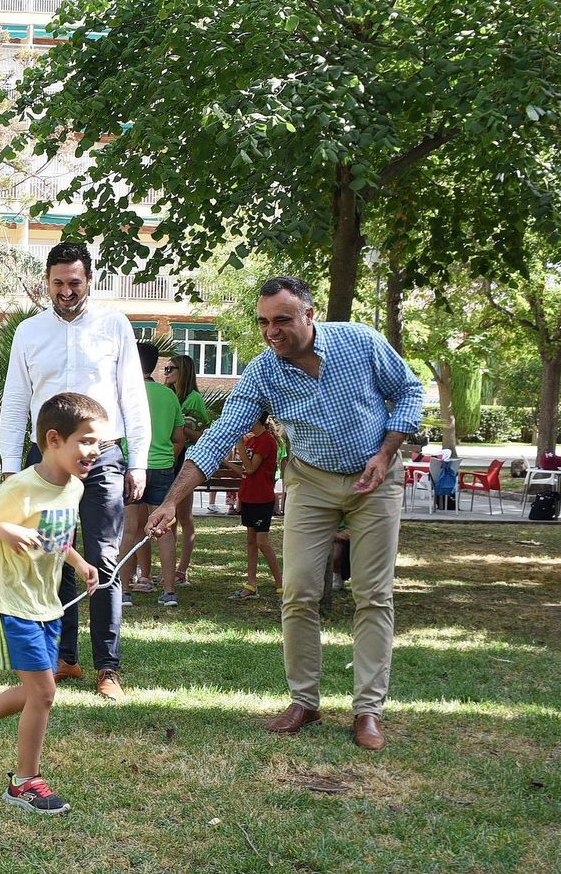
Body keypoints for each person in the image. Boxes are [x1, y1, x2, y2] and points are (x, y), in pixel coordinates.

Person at [147, 276, 423, 751]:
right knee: (297, 591)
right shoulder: (262, 372)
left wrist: (386, 451)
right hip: (310, 481)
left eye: (282, 320)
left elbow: (411, 392)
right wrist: (172, 500)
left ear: (309, 315)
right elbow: (220, 435)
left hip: (375, 479)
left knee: (373, 594)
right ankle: (305, 701)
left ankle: (368, 710)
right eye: (263, 322)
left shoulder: (361, 342)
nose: (271, 331)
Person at [0, 242, 150, 700]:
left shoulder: (114, 325)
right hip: (47, 462)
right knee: (53, 556)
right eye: (58, 283)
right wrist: (9, 466)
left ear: (90, 280)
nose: (66, 292)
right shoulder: (28, 332)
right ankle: (63, 659)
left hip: (102, 457)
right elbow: (15, 399)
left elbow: (132, 396)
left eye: (75, 283)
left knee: (103, 558)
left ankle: (109, 668)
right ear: (47, 281)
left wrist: (138, 461)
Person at [0, 392, 104, 815]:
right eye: (86, 441)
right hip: (12, 602)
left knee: (36, 691)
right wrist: (5, 532)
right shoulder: (21, 486)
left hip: (46, 603)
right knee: (44, 692)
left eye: (99, 443)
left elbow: (58, 538)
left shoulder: (75, 487)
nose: (94, 451)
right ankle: (23, 783)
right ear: (54, 439)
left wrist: (81, 561)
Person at [117, 342, 186, 608]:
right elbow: (179, 437)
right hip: (162, 467)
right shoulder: (168, 395)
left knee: (128, 529)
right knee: (164, 529)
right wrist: (168, 455)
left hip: (131, 466)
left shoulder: (123, 393)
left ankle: (123, 592)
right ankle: (169, 592)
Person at [165, 353, 212, 588]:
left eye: (170, 369)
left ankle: (182, 569)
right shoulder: (167, 395)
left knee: (183, 516)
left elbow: (203, 433)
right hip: (168, 458)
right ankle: (169, 568)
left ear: (182, 370)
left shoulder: (194, 398)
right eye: (165, 369)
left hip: (186, 460)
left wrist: (183, 431)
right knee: (169, 517)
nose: (166, 373)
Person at [227, 412, 283, 602]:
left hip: (262, 498)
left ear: (257, 420)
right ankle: (251, 584)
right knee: (251, 541)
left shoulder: (266, 441)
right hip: (249, 496)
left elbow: (251, 468)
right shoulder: (251, 441)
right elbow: (245, 472)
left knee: (262, 542)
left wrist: (240, 445)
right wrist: (225, 461)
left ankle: (281, 585)